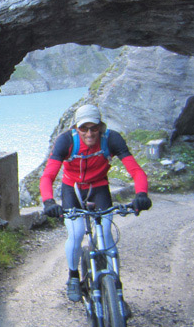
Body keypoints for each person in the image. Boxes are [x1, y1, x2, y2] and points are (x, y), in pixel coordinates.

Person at [40, 104, 152, 302]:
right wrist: (49, 202)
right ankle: (73, 277)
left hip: (99, 187)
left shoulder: (112, 139)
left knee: (106, 235)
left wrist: (141, 194)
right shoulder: (66, 141)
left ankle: (115, 289)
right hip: (72, 189)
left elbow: (136, 171)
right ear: (76, 128)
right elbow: (48, 176)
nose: (89, 133)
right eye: (84, 129)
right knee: (75, 235)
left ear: (101, 127)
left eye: (94, 128)